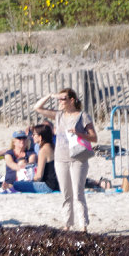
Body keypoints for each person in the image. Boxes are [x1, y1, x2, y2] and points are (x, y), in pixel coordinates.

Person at [34, 88, 97, 231]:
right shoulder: (59, 116)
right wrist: (51, 95)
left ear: (72, 100)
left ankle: (83, 226)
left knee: (78, 193)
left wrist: (80, 134)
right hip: (60, 159)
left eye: (63, 99)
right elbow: (37, 108)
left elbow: (94, 138)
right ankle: (67, 225)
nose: (60, 102)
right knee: (66, 194)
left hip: (78, 158)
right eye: (59, 99)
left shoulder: (83, 116)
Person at [13, 123, 60, 193]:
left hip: (48, 186)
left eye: (34, 134)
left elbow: (39, 176)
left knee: (16, 184)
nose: (32, 136)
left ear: (40, 137)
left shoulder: (43, 150)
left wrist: (30, 181)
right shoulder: (52, 146)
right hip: (58, 184)